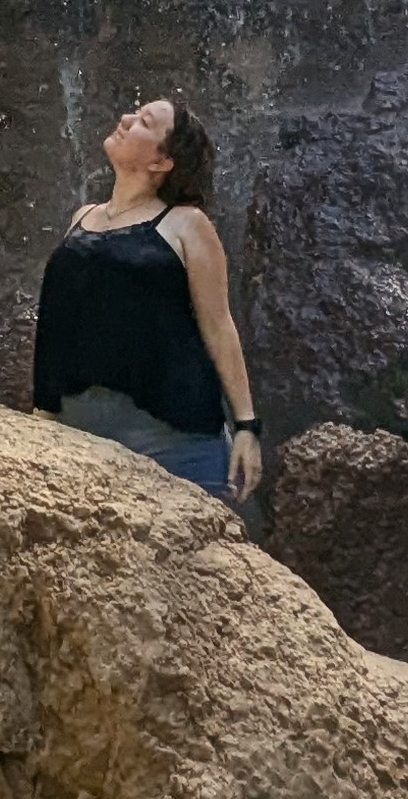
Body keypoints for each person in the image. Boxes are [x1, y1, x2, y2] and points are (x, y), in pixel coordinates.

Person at [30, 92, 263, 503]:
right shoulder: (81, 219)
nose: (124, 119)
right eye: (134, 113)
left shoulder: (186, 224)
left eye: (144, 122)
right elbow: (56, 326)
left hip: (173, 439)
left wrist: (247, 426)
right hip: (77, 429)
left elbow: (218, 325)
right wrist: (43, 412)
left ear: (161, 162)